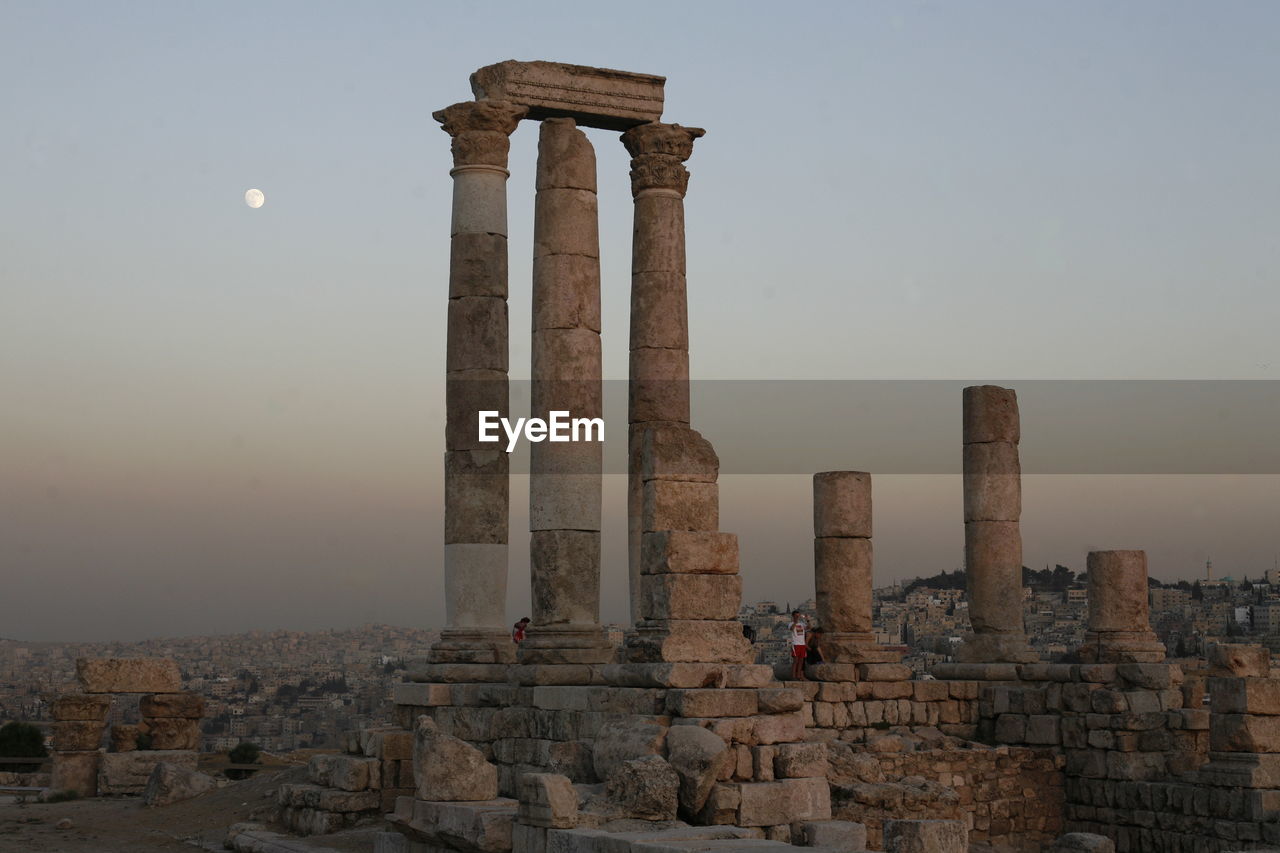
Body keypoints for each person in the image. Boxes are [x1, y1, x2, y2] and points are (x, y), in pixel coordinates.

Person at [788, 611, 808, 680]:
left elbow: (809, 627)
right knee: (796, 660)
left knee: (801, 661)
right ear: (793, 616)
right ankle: (793, 676)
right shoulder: (791, 623)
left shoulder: (802, 624)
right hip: (796, 644)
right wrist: (795, 622)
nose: (797, 617)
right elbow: (791, 629)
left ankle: (799, 675)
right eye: (796, 616)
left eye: (798, 616)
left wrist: (807, 619)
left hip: (802, 644)